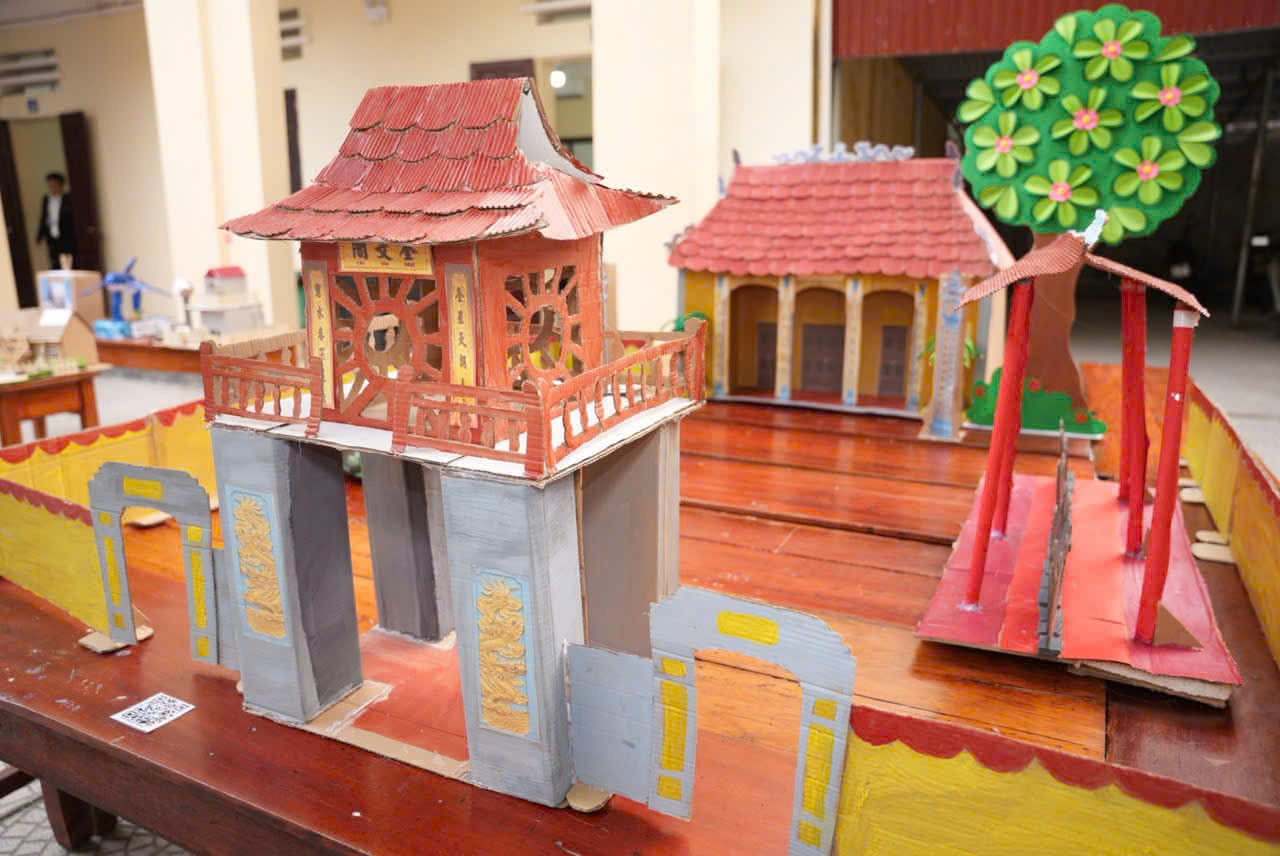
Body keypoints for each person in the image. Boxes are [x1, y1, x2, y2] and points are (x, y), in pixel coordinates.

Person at [35, 171, 76, 270]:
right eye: (50, 186)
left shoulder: (68, 199)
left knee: (69, 264)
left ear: (61, 185)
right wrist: (39, 236)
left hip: (66, 236)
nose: (52, 188)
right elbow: (43, 218)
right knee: (55, 263)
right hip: (52, 237)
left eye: (54, 185)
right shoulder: (46, 199)